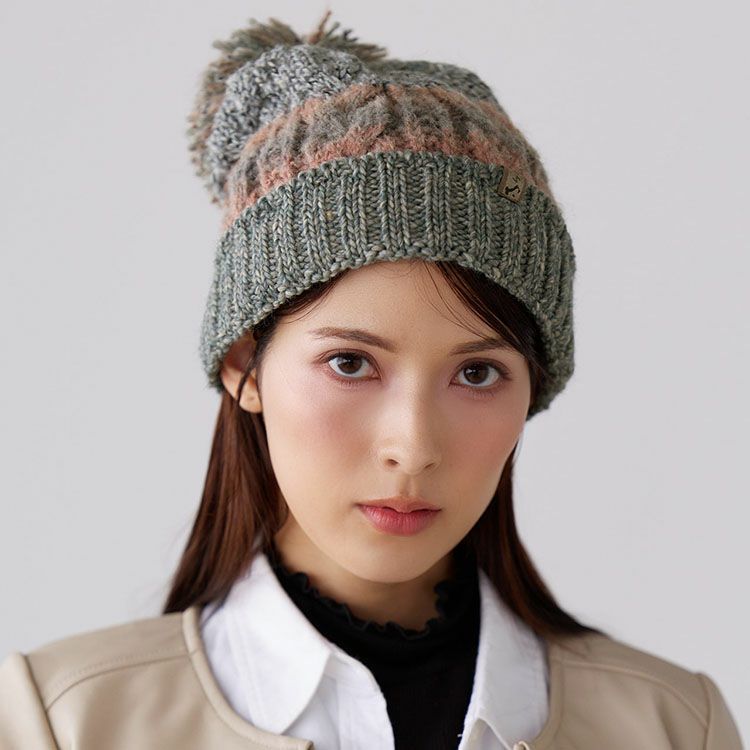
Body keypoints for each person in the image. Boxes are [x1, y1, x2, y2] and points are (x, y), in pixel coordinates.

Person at [0, 11, 743, 750]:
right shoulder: (63, 723)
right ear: (243, 364)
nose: (412, 447)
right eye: (350, 363)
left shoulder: (674, 727)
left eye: (477, 372)